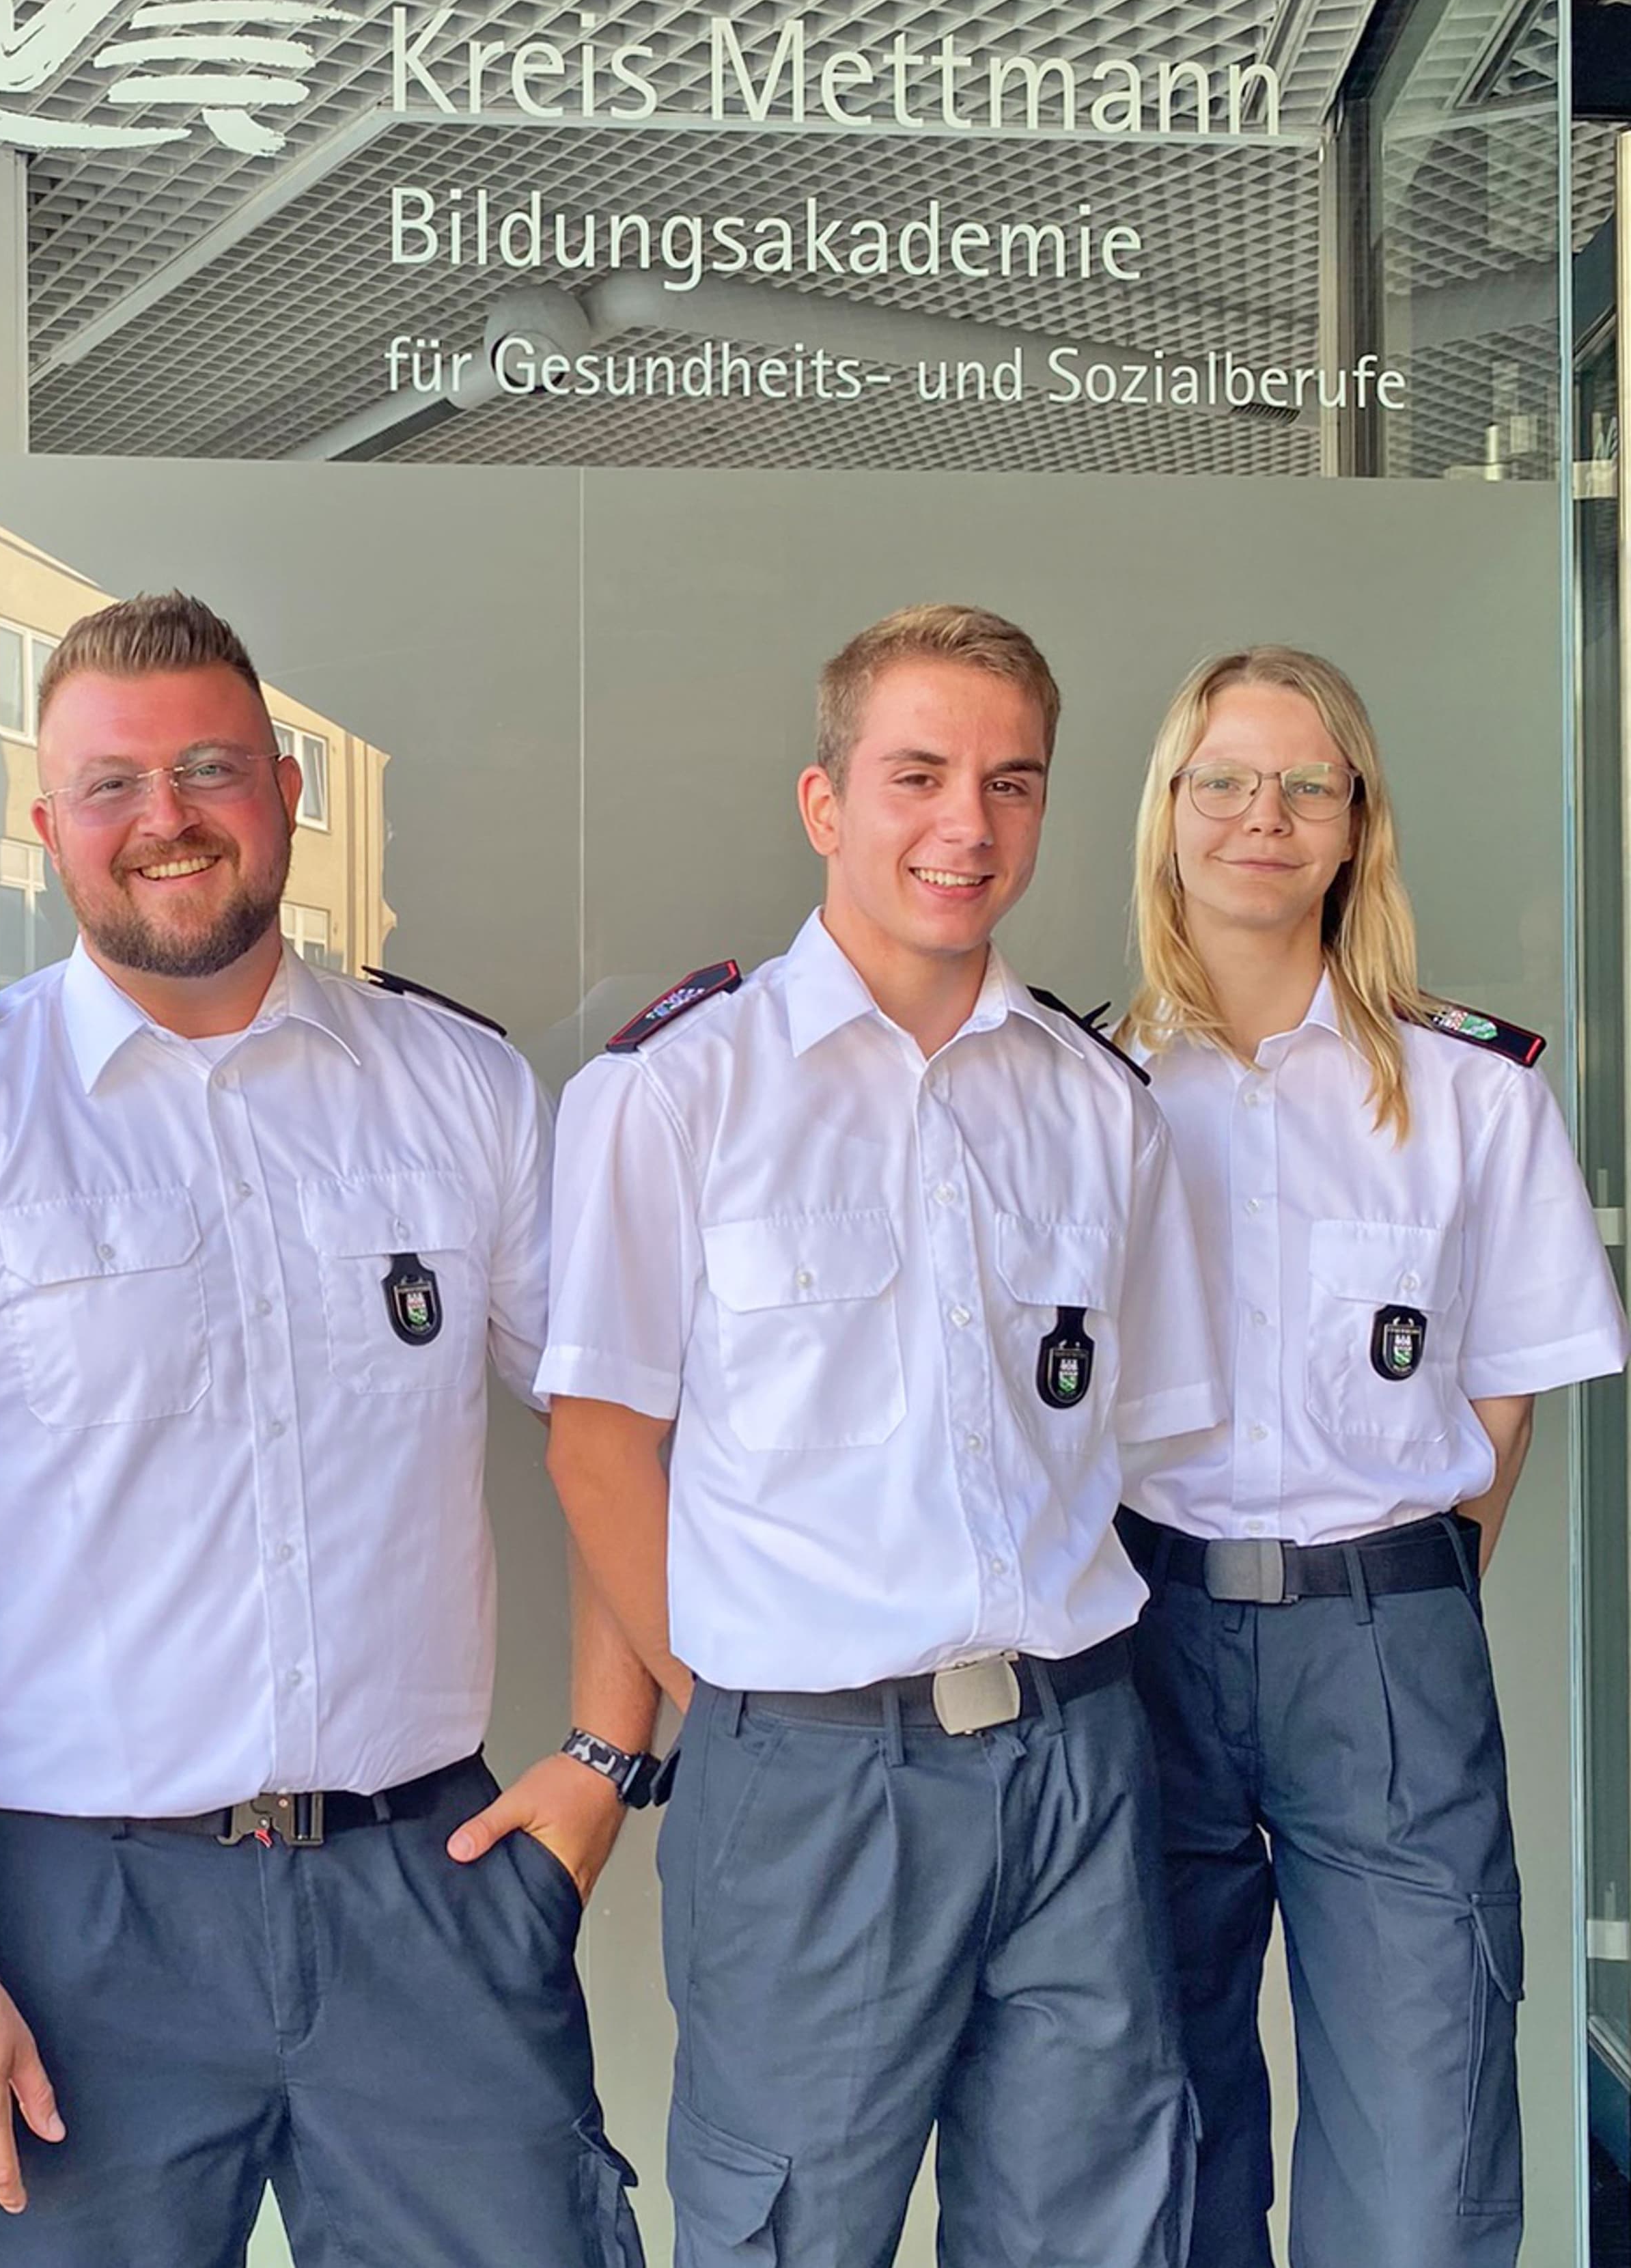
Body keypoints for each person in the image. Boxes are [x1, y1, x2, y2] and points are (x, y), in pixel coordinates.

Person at [0, 590, 654, 2268]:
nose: (164, 816)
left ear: (288, 788)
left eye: (209, 767)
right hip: (71, 1926)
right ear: (48, 827)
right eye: (111, 784)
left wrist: (609, 1756)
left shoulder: (455, 1084)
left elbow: (613, 1425)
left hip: (424, 1884)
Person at [542, 603, 1223, 2268]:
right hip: (817, 1779)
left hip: (1074, 1759)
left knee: (1095, 2227)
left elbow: (1138, 1449)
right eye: (917, 774)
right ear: (824, 801)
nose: (965, 825)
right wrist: (753, 1709)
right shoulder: (676, 1089)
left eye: (1010, 781)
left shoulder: (1095, 1099)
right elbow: (597, 1443)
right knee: (795, 2234)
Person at [1111, 646, 1627, 2268]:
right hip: (1136, 1632)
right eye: (1225, 781)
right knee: (1150, 2132)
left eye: (1306, 784)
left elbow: (1501, 1400)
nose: (1263, 816)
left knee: (1424, 2156)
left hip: (1386, 1633)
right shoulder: (1078, 1089)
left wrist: (1394, 1606)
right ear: (1168, 816)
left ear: (1355, 828)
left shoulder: (1476, 1096)